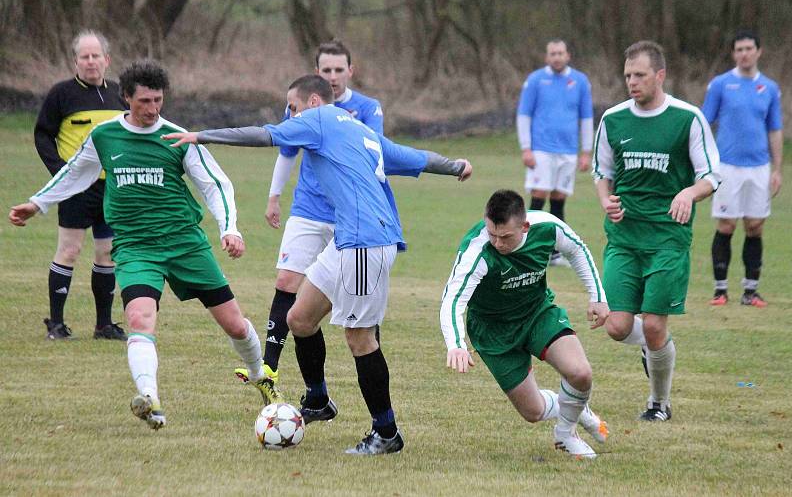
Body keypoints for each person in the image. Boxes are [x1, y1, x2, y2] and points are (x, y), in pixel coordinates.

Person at [163, 74, 472, 454]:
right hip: (348, 239)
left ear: (311, 101)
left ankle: (386, 433)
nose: (289, 116)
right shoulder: (361, 131)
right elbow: (417, 158)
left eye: (292, 107)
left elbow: (266, 134)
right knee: (300, 319)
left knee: (360, 338)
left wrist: (204, 135)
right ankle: (319, 401)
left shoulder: (319, 118)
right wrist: (455, 165)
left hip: (365, 242)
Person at [10, 60, 272, 430]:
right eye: (144, 101)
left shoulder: (177, 137)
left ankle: (260, 374)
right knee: (139, 318)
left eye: (158, 101)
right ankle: (150, 399)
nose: (152, 109)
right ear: (126, 98)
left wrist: (231, 229)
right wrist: (37, 203)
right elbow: (74, 173)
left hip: (185, 244)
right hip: (135, 246)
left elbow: (216, 184)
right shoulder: (105, 136)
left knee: (234, 325)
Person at [249, 40, 387, 400]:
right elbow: (286, 150)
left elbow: (380, 160)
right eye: (326, 70)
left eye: (339, 69)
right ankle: (270, 369)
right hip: (309, 209)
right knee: (287, 280)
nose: (333, 76)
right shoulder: (301, 107)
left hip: (351, 220)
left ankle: (368, 378)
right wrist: (274, 196)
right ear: (317, 74)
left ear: (350, 71)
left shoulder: (367, 110)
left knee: (358, 307)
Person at [592, 41, 721, 422]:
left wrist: (688, 191)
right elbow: (602, 172)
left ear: (659, 76)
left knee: (652, 323)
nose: (632, 82)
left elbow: (711, 175)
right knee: (616, 326)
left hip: (667, 237)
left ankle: (658, 403)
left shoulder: (687, 118)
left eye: (640, 75)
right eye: (628, 75)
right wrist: (605, 200)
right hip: (624, 237)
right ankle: (656, 346)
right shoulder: (613, 119)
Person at [440, 189, 609, 459]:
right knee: (533, 412)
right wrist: (457, 345)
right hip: (493, 332)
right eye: (492, 233)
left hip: (536, 313)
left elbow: (578, 251)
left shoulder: (547, 228)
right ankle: (577, 409)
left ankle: (565, 434)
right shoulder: (477, 251)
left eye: (505, 236)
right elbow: (452, 300)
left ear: (525, 226)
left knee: (580, 373)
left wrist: (598, 297)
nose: (497, 243)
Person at [34, 30, 128, 340]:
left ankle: (103, 325)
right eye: (84, 56)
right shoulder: (61, 94)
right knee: (70, 250)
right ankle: (56, 324)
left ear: (107, 59)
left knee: (107, 254)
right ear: (75, 61)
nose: (90, 62)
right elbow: (43, 135)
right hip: (76, 190)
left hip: (112, 188)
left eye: (95, 56)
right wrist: (60, 173)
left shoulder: (120, 93)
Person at [702, 30, 783, 307]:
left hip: (759, 167)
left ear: (759, 52)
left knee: (755, 226)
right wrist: (705, 162)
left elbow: (775, 130)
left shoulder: (770, 88)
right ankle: (720, 290)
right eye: (739, 49)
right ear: (734, 54)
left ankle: (750, 292)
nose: (744, 53)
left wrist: (777, 169)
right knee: (726, 224)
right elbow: (703, 124)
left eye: (749, 48)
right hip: (727, 167)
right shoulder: (720, 85)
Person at [516, 39, 594, 266]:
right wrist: (526, 148)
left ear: (568, 55)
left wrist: (586, 151)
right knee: (539, 197)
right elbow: (524, 115)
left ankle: (554, 253)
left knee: (559, 201)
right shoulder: (535, 80)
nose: (557, 57)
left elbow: (586, 117)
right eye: (552, 53)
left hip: (568, 151)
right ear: (546, 57)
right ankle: (526, 248)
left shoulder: (580, 81)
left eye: (560, 53)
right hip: (541, 149)